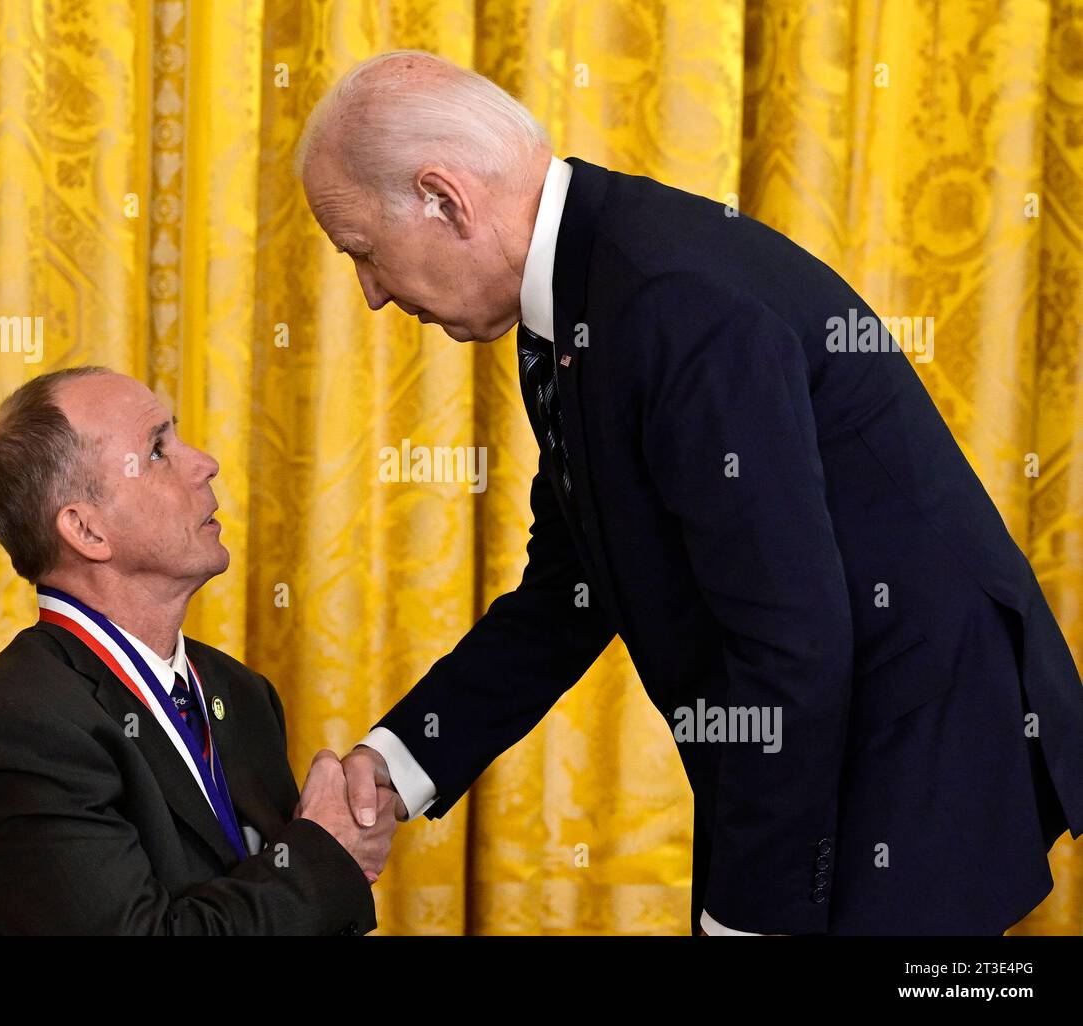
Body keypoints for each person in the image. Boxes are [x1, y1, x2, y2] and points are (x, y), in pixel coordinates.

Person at [295, 50, 1083, 935]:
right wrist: (398, 761)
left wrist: (750, 916)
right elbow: (570, 591)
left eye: (362, 251)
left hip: (911, 751)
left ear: (445, 199)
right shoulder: (575, 293)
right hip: (823, 745)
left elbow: (791, 635)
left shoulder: (668, 300)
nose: (367, 292)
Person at [0, 367, 396, 934]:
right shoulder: (20, 724)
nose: (205, 463)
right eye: (158, 450)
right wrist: (324, 855)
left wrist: (341, 838)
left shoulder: (241, 694)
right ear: (87, 531)